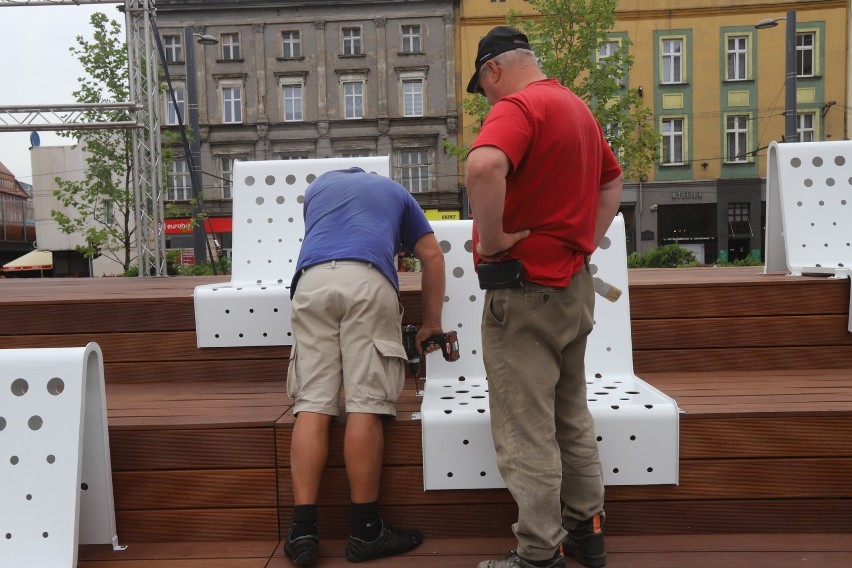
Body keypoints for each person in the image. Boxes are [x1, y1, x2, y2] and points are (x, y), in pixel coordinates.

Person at [464, 26, 624, 568]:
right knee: (570, 414)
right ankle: (588, 532)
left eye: (483, 89)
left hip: (524, 290)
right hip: (574, 291)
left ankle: (538, 553)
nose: (488, 100)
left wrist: (492, 242)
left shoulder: (519, 106)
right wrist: (579, 241)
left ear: (493, 70)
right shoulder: (577, 108)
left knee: (524, 426)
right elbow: (611, 183)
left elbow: (484, 166)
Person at [283, 166, 446, 565]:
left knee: (313, 402)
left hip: (311, 282)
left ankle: (303, 533)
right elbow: (432, 256)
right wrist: (431, 324)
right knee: (366, 402)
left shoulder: (317, 189)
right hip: (367, 282)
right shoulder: (395, 191)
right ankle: (366, 531)